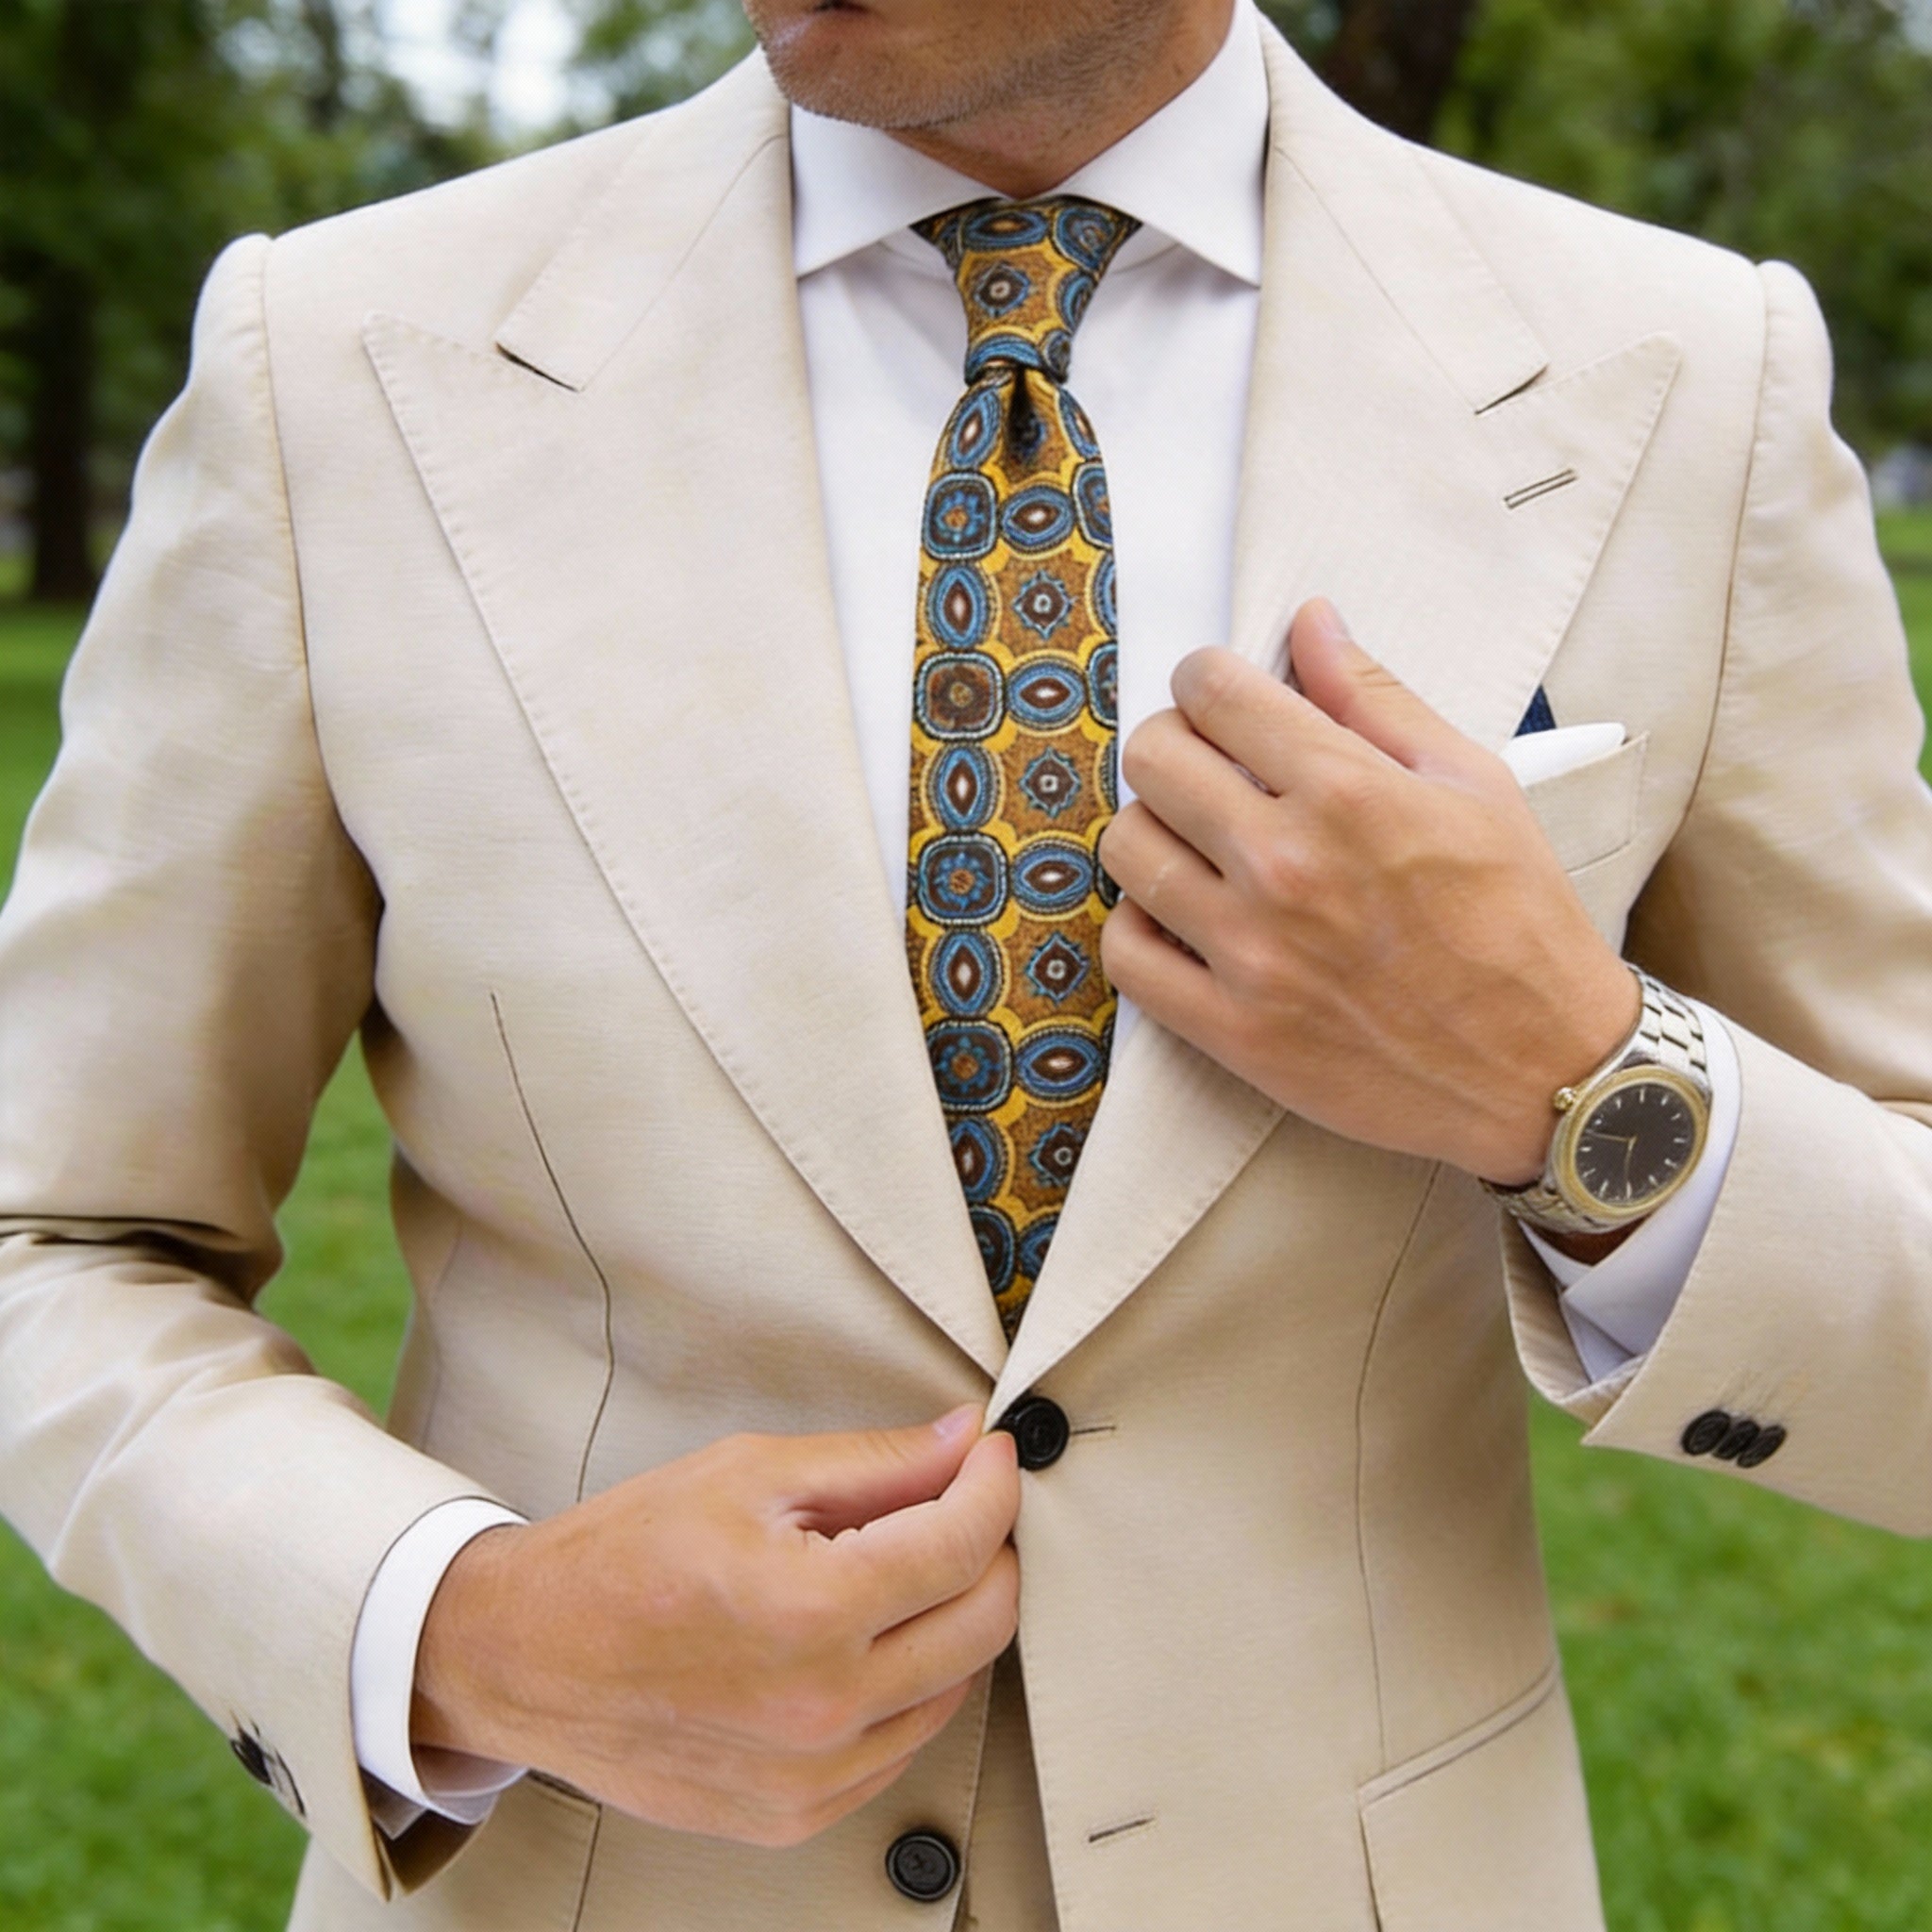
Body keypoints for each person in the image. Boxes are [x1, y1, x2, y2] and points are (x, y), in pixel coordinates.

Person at [1, 0, 1928, 1924]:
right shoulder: (333, 368)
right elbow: (55, 1234)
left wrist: (1583, 1088)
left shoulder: (1685, 379)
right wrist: (461, 1628)